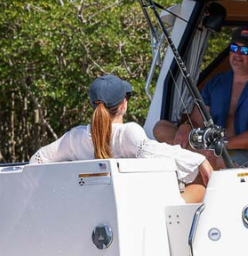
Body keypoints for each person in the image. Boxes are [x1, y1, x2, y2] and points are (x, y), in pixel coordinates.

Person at [30, 74, 213, 203]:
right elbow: (156, 151)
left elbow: (39, 159)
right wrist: (200, 159)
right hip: (132, 205)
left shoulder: (75, 138)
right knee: (199, 185)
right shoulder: (127, 134)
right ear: (124, 104)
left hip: (94, 206)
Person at [154, 27, 248, 169]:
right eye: (234, 48)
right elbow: (197, 120)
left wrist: (220, 145)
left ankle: (193, 157)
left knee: (213, 160)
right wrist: (186, 127)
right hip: (209, 146)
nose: (237, 54)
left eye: (245, 50)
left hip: (244, 152)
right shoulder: (217, 82)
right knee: (161, 128)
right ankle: (197, 156)